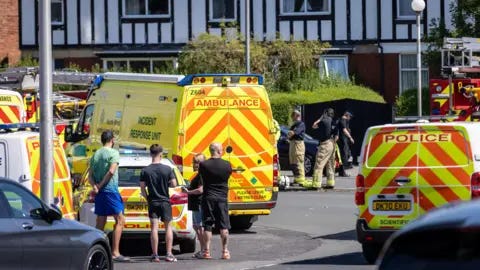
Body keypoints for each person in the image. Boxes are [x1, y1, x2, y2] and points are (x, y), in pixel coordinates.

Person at [88, 130, 129, 262]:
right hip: (110, 190)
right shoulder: (114, 153)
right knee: (120, 220)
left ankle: (96, 251)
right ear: (112, 140)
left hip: (100, 193)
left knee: (100, 222)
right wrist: (100, 185)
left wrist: (95, 186)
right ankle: (115, 252)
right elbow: (112, 171)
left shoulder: (96, 154)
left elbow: (90, 176)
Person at [140, 144, 178, 263]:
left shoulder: (145, 170)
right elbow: (174, 184)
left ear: (151, 154)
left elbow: (142, 188)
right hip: (165, 201)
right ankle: (168, 254)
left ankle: (155, 255)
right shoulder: (167, 169)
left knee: (154, 229)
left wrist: (148, 199)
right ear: (161, 154)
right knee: (168, 228)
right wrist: (165, 184)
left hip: (153, 202)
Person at [199, 143, 232, 260]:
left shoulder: (203, 165)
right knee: (224, 226)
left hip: (208, 198)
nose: (222, 150)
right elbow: (227, 177)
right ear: (218, 150)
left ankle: (206, 251)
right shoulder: (227, 165)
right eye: (221, 149)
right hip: (222, 198)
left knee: (207, 225)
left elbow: (202, 178)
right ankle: (225, 251)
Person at [183, 153, 206, 259]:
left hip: (199, 203)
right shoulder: (199, 174)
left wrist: (188, 192)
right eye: (194, 161)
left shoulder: (201, 174)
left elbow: (201, 190)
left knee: (200, 227)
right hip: (195, 204)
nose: (194, 164)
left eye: (197, 162)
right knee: (196, 227)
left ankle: (204, 250)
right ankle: (203, 250)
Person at [311, 108, 336, 189]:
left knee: (319, 163)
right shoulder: (333, 122)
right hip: (332, 143)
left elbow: (314, 126)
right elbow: (336, 135)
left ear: (325, 113)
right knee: (330, 164)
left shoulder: (323, 121)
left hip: (325, 144)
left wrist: (321, 118)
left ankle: (316, 184)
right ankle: (330, 182)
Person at [288, 110, 306, 185]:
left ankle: (301, 179)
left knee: (298, 161)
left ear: (297, 116)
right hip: (293, 143)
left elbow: (294, 133)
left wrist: (291, 133)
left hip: (298, 144)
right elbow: (289, 134)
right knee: (293, 162)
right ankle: (296, 178)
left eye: (293, 115)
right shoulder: (294, 125)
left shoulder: (301, 124)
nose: (292, 117)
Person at [338, 111, 355, 177]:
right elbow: (344, 130)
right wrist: (350, 137)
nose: (350, 118)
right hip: (343, 140)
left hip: (344, 140)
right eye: (349, 117)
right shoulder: (343, 120)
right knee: (343, 156)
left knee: (345, 155)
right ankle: (342, 172)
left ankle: (341, 171)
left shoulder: (343, 121)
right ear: (347, 115)